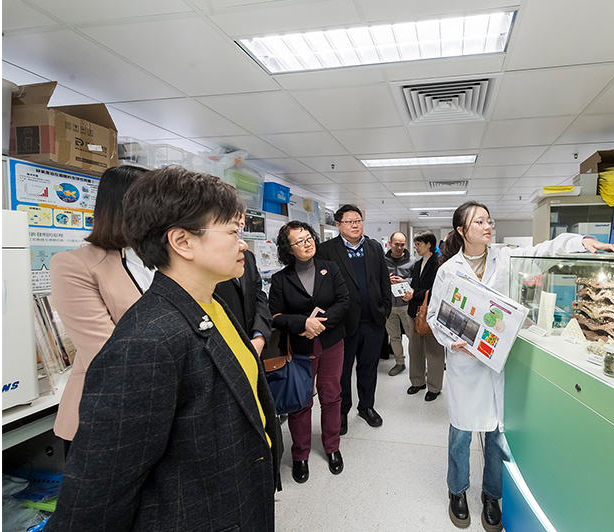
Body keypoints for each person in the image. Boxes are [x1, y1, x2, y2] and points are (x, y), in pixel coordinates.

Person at [47, 167, 276, 532]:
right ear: (183, 242)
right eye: (233, 231)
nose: (244, 243)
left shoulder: (213, 305)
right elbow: (97, 494)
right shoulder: (146, 341)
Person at [426, 201, 614, 530]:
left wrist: (580, 242)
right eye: (479, 222)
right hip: (465, 362)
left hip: (499, 362)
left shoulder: (506, 257)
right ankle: (457, 491)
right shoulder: (448, 271)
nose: (488, 225)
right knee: (461, 433)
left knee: (496, 433)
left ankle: (492, 496)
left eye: (489, 220)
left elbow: (544, 249)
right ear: (463, 231)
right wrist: (452, 341)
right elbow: (435, 317)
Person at [48, 165, 147, 449]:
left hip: (160, 417)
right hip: (106, 416)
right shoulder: (74, 265)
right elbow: (109, 355)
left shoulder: (165, 261)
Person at [267, 220, 348, 485]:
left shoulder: (330, 268)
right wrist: (303, 324)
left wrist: (319, 324)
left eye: (309, 237)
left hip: (331, 343)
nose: (308, 242)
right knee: (301, 401)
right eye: (300, 241)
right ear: (288, 249)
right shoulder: (281, 279)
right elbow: (275, 315)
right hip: (300, 347)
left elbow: (343, 301)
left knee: (331, 396)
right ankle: (300, 454)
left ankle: (332, 447)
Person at [314, 204, 389, 433]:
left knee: (368, 368)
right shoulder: (326, 250)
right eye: (349, 221)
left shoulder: (374, 247)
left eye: (358, 220)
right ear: (338, 225)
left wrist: (384, 308)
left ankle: (366, 407)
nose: (355, 225)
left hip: (373, 321)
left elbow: (383, 279)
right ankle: (342, 411)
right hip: (343, 324)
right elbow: (321, 286)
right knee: (342, 371)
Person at [402, 231, 444, 401]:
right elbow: (415, 285)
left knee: (434, 351)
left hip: (431, 313)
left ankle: (434, 386)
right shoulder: (418, 264)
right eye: (415, 244)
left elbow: (436, 291)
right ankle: (418, 381)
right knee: (415, 348)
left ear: (429, 245)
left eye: (419, 244)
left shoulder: (439, 264)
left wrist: (414, 294)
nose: (416, 247)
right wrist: (407, 291)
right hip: (415, 312)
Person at [382, 231, 414, 377]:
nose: (399, 247)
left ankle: (416, 363)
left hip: (406, 305)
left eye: (402, 245)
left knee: (412, 336)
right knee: (394, 336)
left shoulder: (412, 261)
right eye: (396, 244)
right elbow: (375, 280)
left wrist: (404, 281)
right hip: (389, 306)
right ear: (390, 244)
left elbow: (417, 282)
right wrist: (385, 280)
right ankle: (399, 363)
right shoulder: (382, 261)